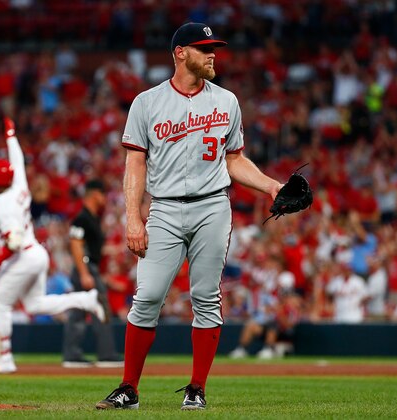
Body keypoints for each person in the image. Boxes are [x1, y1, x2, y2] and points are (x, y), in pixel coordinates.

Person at [96, 22, 283, 411]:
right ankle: (128, 387)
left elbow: (235, 160)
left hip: (213, 205)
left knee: (206, 298)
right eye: (204, 48)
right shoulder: (146, 103)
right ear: (180, 53)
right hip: (163, 207)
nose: (212, 54)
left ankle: (197, 388)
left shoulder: (227, 101)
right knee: (146, 297)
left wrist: (269, 186)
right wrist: (133, 217)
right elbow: (135, 164)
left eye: (213, 48)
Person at [0, 118, 107, 374]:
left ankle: (4, 359)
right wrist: (11, 134)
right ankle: (86, 300)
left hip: (22, 256)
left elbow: (12, 243)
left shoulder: (3, 207)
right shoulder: (19, 183)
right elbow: (17, 159)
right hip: (36, 254)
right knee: (34, 305)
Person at [62, 179, 124, 368]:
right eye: (102, 194)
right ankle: (105, 355)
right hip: (86, 269)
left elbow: (91, 247)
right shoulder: (83, 218)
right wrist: (84, 273)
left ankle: (72, 355)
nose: (104, 198)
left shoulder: (92, 217)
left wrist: (110, 250)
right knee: (99, 308)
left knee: (79, 312)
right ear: (95, 194)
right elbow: (75, 244)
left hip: (87, 267)